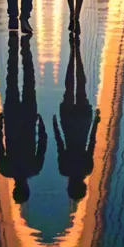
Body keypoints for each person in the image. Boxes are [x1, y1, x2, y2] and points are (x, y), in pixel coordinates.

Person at [0, 35, 46, 205]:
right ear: (14, 189)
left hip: (29, 119)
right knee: (11, 80)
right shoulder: (5, 169)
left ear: (27, 189)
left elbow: (42, 145)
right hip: (12, 120)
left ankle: (25, 49)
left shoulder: (35, 168)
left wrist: (41, 125)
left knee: (29, 80)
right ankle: (14, 49)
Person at [53, 38, 100, 203]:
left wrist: (96, 122)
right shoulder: (63, 169)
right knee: (69, 87)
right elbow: (60, 145)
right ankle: (73, 56)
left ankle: (77, 57)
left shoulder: (88, 168)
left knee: (81, 87)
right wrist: (55, 126)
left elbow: (92, 142)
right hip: (67, 123)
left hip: (83, 123)